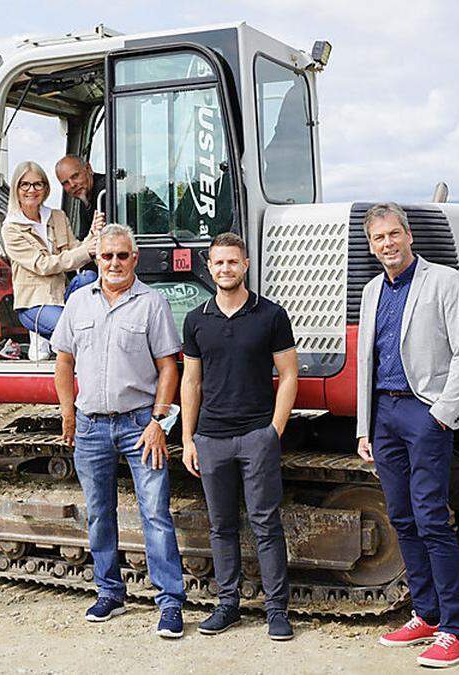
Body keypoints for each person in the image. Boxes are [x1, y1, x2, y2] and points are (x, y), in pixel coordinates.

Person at [355, 202, 459, 668]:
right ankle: (425, 614)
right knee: (402, 518)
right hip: (384, 415)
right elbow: (369, 360)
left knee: (432, 519)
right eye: (377, 239)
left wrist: (443, 415)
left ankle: (455, 631)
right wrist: (364, 425)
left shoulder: (443, 282)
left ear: (409, 236)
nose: (386, 244)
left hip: (425, 414)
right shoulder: (371, 290)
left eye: (393, 234)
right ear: (371, 246)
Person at [51, 223, 186, 639]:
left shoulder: (152, 303)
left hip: (139, 425)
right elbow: (64, 361)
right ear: (97, 258)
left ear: (134, 258)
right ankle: (109, 592)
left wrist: (159, 422)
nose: (113, 263)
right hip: (90, 426)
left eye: (122, 256)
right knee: (98, 514)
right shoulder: (77, 303)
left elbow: (168, 367)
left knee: (156, 514)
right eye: (106, 255)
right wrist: (68, 414)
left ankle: (170, 604)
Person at [180, 232, 297, 640]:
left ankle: (276, 611)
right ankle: (227, 605)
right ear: (209, 268)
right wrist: (188, 439)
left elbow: (289, 374)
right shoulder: (196, 319)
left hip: (256, 435)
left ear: (245, 265)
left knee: (266, 523)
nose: (226, 269)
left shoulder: (271, 315)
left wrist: (274, 431)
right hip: (211, 438)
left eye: (233, 262)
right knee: (221, 525)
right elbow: (191, 382)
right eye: (218, 263)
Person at [1, 160, 99, 344]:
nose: (32, 190)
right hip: (34, 303)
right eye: (25, 184)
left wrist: (92, 235)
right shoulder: (11, 228)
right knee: (71, 331)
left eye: (38, 184)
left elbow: (75, 250)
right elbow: (43, 265)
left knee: (88, 277)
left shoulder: (57, 216)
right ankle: (53, 343)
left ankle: (57, 343)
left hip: (62, 296)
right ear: (16, 189)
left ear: (45, 188)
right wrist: (86, 250)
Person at [55, 155, 106, 239]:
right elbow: (84, 238)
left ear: (88, 169)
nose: (72, 185)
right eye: (65, 183)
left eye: (75, 176)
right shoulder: (84, 199)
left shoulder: (106, 190)